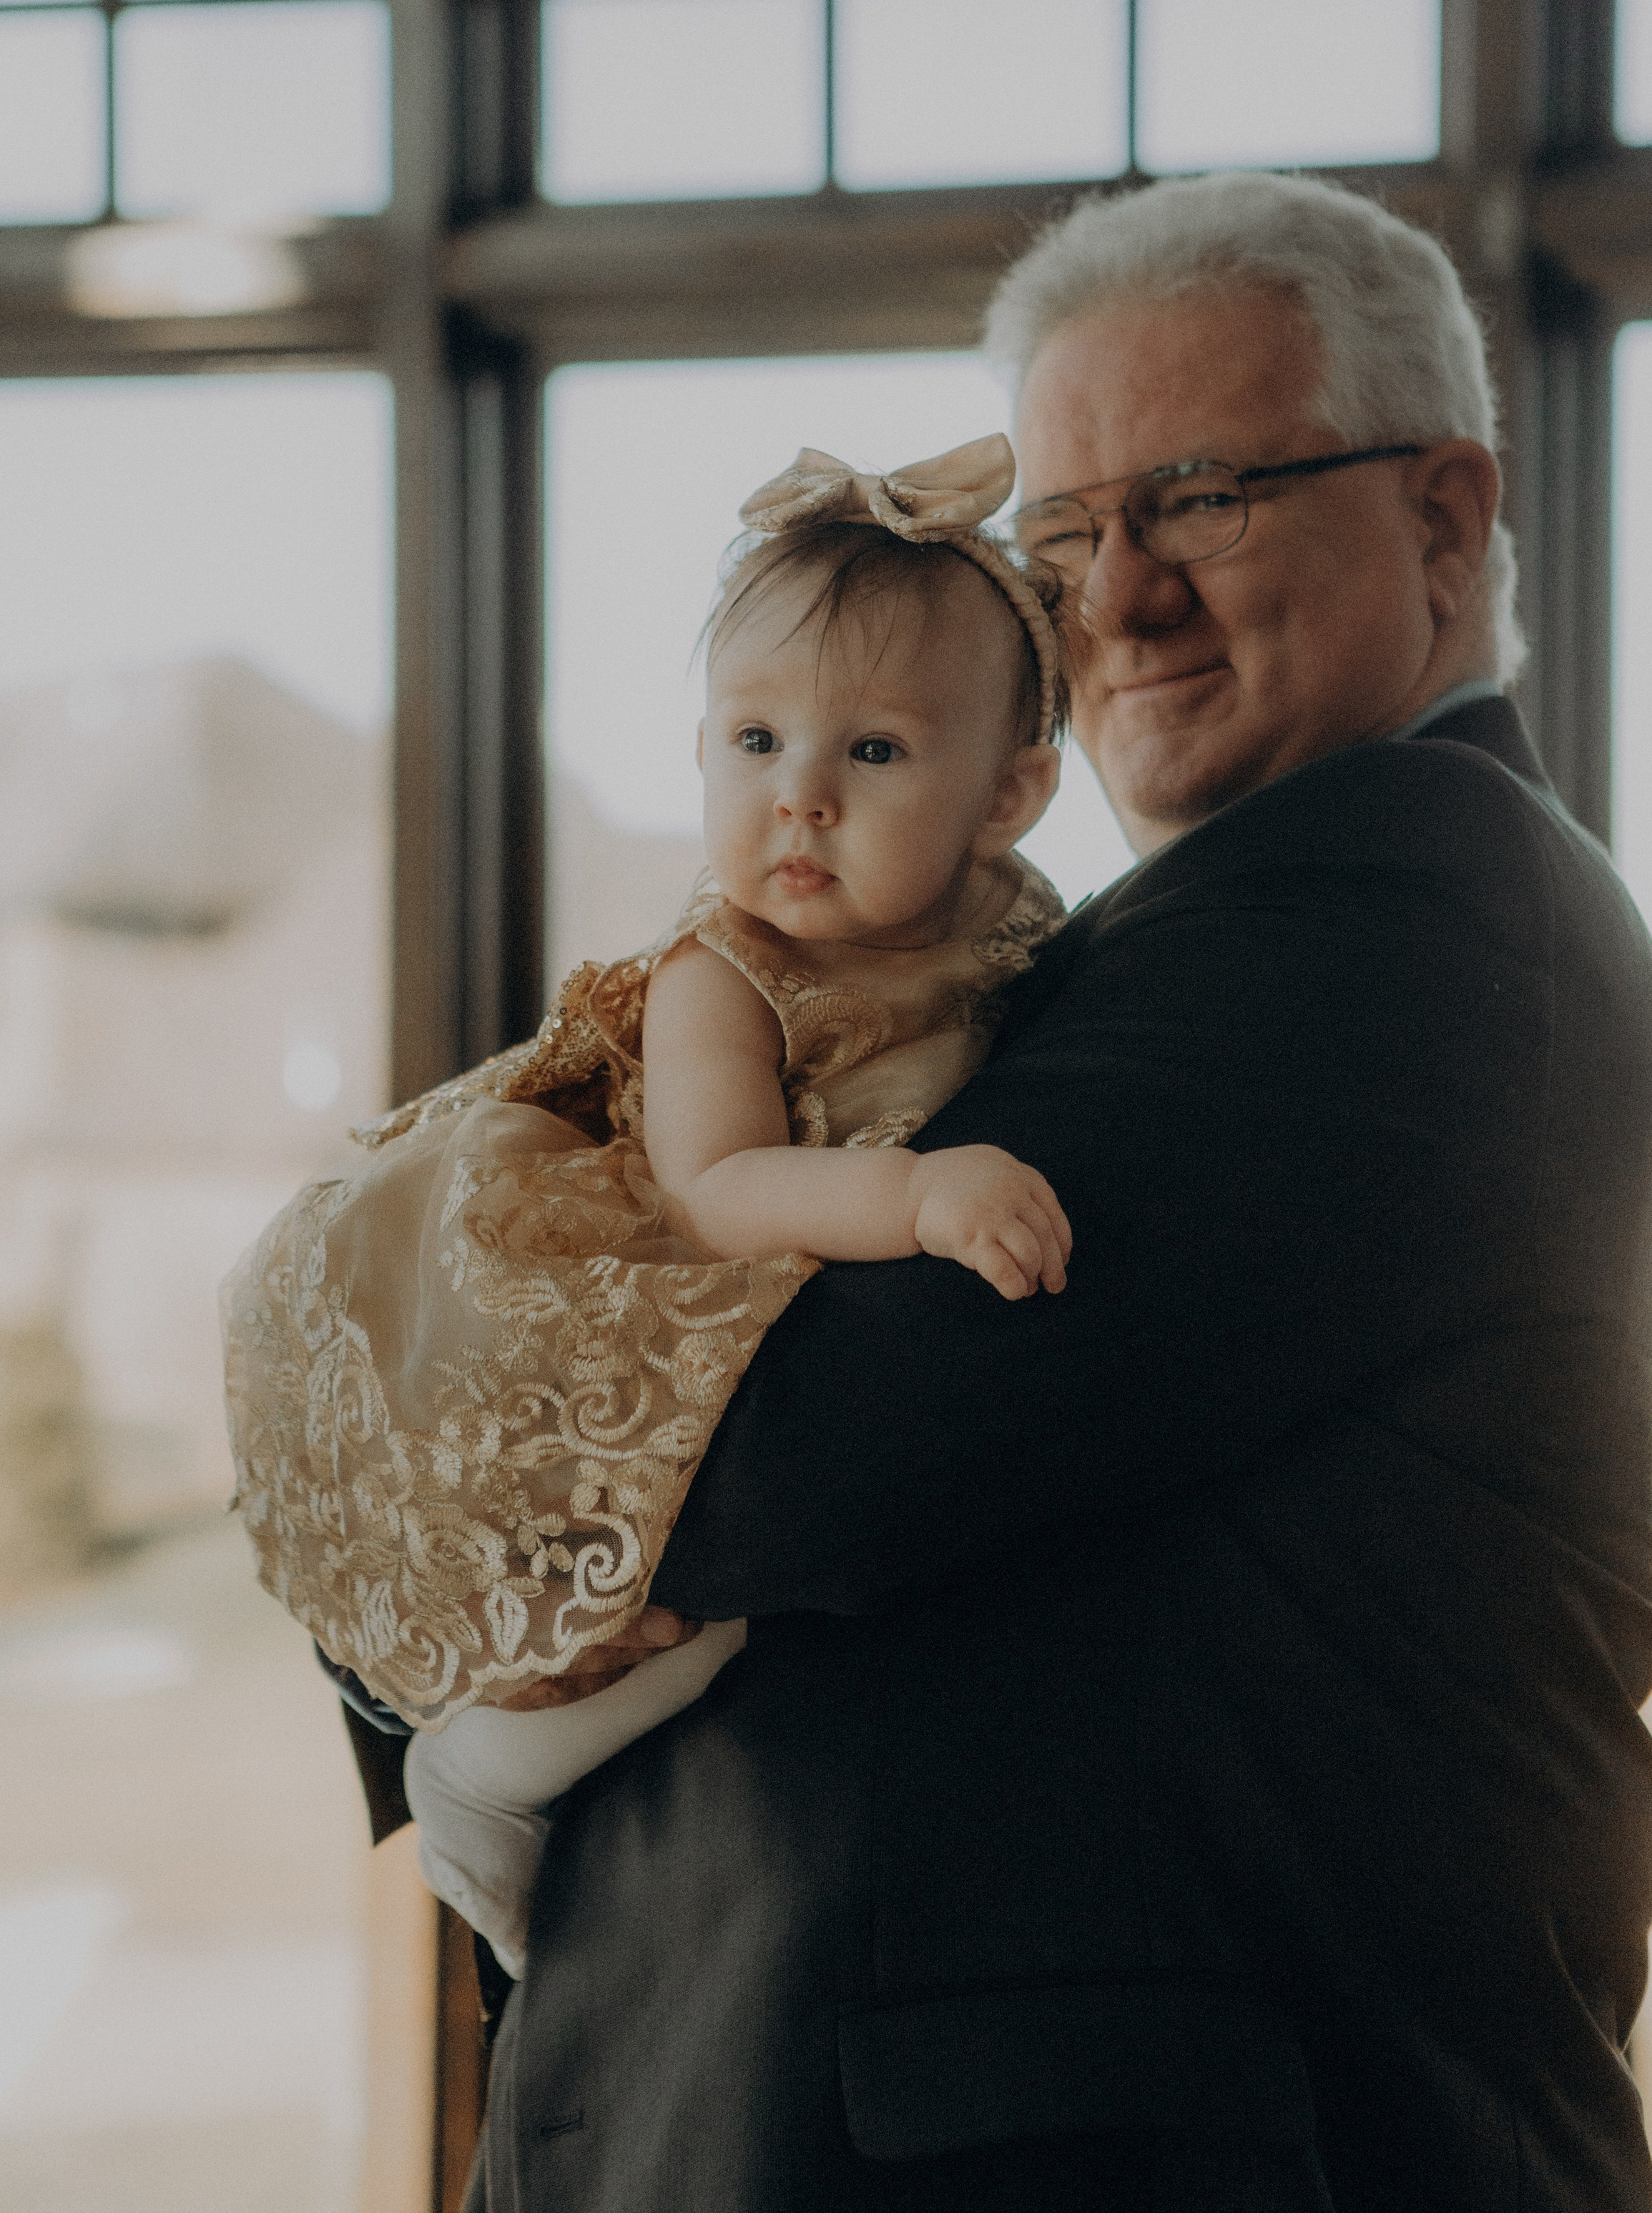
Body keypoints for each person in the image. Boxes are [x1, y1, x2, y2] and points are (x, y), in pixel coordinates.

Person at [344, 171, 1652, 2213]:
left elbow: (792, 1443)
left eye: (1207, 495)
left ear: (1444, 518)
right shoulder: (1132, 945)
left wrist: (379, 1439)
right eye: (1063, 529)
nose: (1113, 597)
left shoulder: (1384, 902)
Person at [224, 433, 1074, 1973]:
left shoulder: (1022, 937)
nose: (797, 801)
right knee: (695, 1604)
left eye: (871, 754)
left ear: (1008, 794)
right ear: (697, 754)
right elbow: (720, 1181)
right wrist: (920, 1196)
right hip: (636, 1270)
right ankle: (480, 1771)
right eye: (754, 743)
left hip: (791, 1259)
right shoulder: (720, 974)